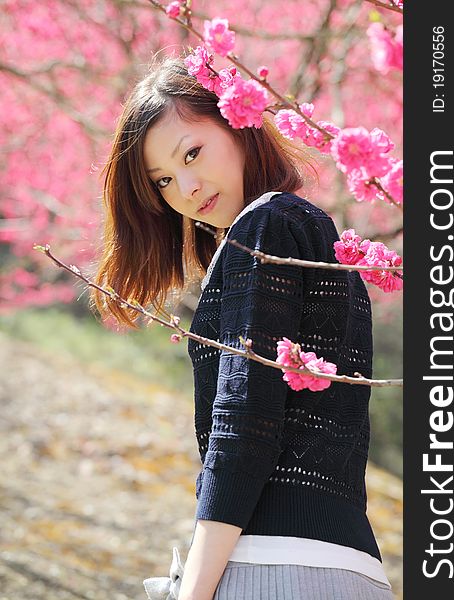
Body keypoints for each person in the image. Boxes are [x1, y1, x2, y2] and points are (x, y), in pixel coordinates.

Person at [90, 54, 395, 600]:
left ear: (237, 122)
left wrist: (194, 591)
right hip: (349, 567)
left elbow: (244, 424)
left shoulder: (264, 224)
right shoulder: (311, 234)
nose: (185, 187)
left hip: (274, 566)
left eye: (192, 152)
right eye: (162, 181)